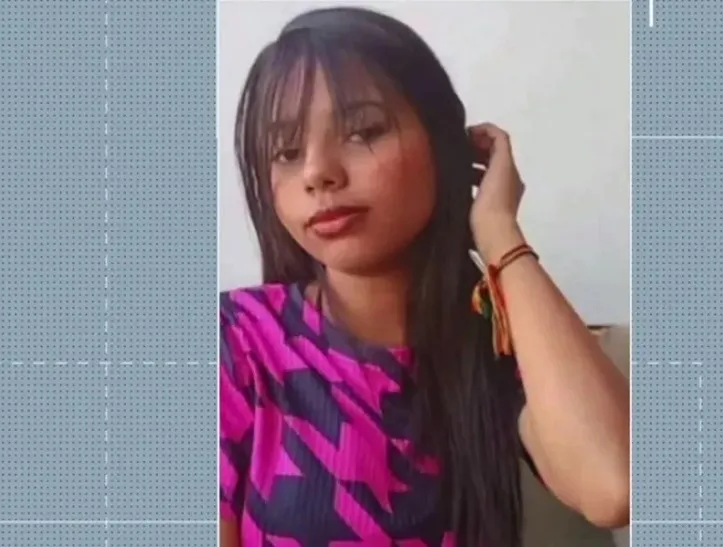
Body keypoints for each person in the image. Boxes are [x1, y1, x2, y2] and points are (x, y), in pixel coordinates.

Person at [219, 6, 629, 546]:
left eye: (363, 131)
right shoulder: (235, 342)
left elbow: (612, 484)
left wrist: (499, 231)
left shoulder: (494, 347)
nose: (317, 173)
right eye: (287, 152)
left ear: (442, 146)